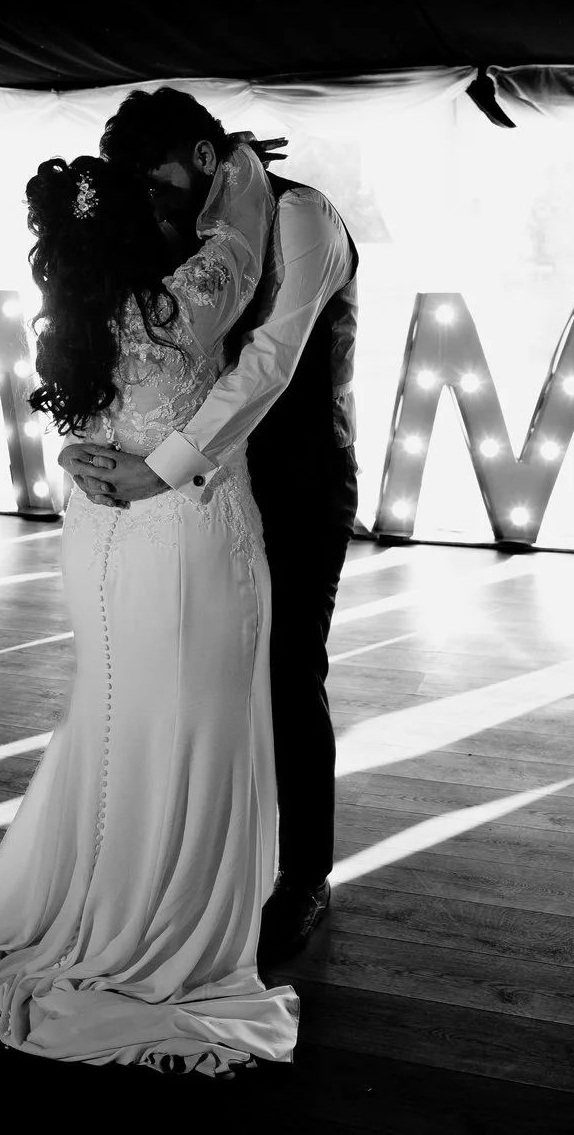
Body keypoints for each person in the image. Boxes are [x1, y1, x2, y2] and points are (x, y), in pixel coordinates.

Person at [0, 144, 296, 1075]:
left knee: (115, 724)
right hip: (178, 531)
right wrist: (230, 159)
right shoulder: (180, 305)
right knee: (192, 724)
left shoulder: (72, 318)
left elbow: (82, 422)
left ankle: (97, 894)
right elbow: (239, 240)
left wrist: (80, 449)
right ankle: (159, 921)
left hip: (99, 534)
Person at [71, 88, 361, 966]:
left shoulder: (301, 216)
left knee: (285, 674)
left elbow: (273, 361)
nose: (148, 195)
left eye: (156, 173)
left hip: (301, 478)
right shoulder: (180, 231)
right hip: (204, 493)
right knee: (199, 677)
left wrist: (161, 467)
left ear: (204, 158)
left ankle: (303, 874)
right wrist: (88, 447)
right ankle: (212, 863)